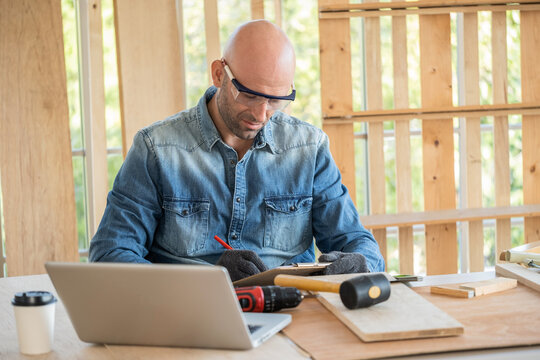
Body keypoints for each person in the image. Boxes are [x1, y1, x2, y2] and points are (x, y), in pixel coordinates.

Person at [89, 20, 384, 281]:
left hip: (292, 316)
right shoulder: (157, 150)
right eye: (249, 95)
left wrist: (362, 263)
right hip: (189, 319)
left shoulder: (308, 149)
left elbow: (357, 243)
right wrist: (209, 279)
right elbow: (110, 256)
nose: (261, 113)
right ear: (219, 74)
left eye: (276, 100)